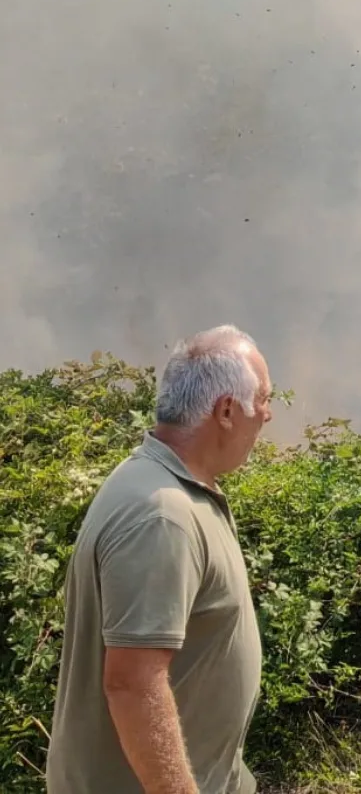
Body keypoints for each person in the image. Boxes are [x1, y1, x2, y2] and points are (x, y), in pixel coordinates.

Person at [45, 325, 274, 794]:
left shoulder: (169, 481)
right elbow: (133, 685)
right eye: (264, 400)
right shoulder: (162, 514)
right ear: (227, 411)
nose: (268, 415)